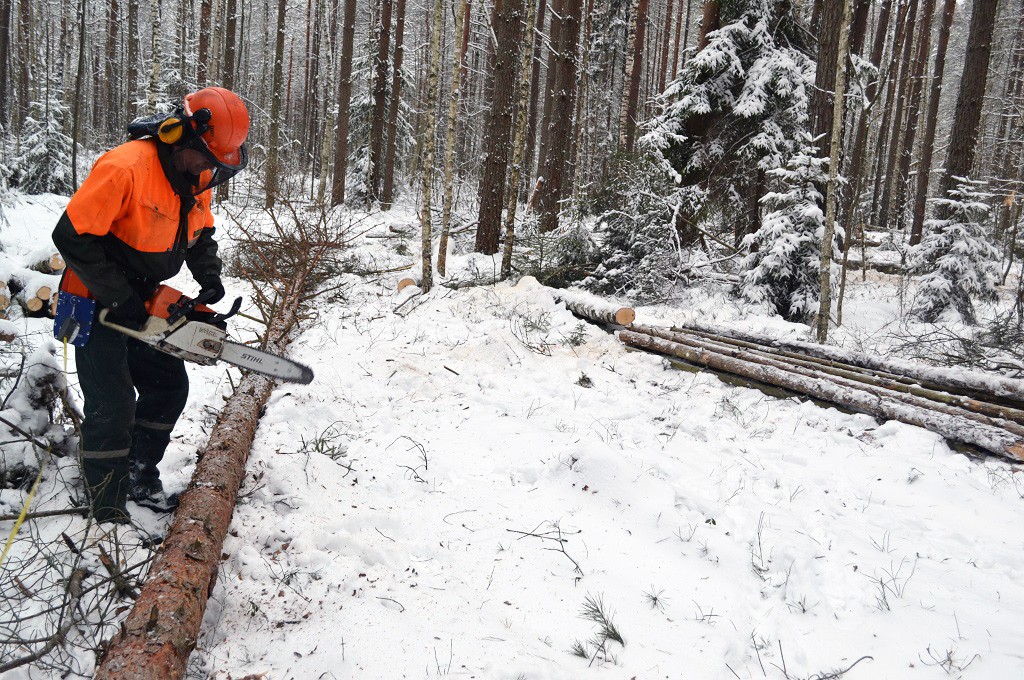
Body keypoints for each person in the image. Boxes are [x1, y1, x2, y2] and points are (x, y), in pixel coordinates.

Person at [52, 87, 250, 523]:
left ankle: (139, 476)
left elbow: (199, 233)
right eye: (205, 160)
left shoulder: (196, 178)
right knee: (113, 402)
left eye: (216, 166)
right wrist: (119, 299)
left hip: (139, 294)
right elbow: (71, 237)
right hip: (89, 294)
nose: (208, 172)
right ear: (179, 136)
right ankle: (105, 506)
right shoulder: (126, 167)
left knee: (167, 384)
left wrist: (208, 275)